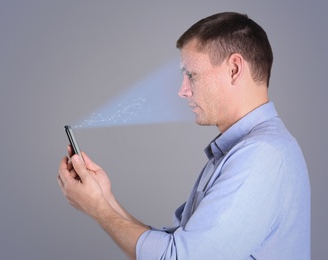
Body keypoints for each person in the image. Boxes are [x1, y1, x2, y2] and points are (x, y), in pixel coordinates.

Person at [58, 12, 310, 259]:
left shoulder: (261, 156)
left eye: (191, 75)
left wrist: (99, 209)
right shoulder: (243, 152)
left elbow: (176, 257)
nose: (183, 90)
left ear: (234, 69)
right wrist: (105, 200)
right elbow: (176, 245)